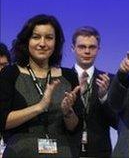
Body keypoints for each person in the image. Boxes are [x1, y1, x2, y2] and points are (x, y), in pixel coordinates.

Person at [0, 14, 83, 158]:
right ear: (26, 41)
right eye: (36, 37)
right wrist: (39, 107)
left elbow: (74, 126)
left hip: (61, 153)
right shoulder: (10, 73)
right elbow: (3, 121)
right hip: (20, 153)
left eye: (49, 38)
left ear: (56, 43)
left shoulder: (69, 76)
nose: (42, 43)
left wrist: (67, 111)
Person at [71, 26, 118, 158]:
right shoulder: (62, 78)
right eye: (81, 47)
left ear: (98, 50)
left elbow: (117, 122)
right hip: (68, 150)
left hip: (100, 152)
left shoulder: (110, 80)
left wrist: (104, 98)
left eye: (92, 47)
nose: (87, 51)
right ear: (72, 48)